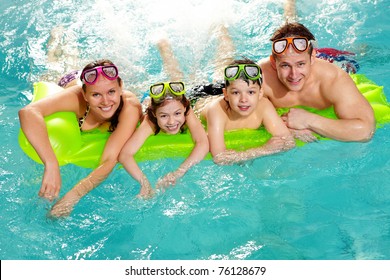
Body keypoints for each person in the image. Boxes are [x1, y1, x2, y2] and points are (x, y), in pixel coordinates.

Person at [19, 58, 142, 217]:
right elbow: (28, 112)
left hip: (92, 83)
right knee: (56, 59)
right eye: (96, 95)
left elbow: (110, 159)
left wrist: (70, 199)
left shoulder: (129, 106)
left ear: (121, 88)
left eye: (111, 92)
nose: (106, 101)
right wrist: (51, 164)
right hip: (68, 79)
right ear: (84, 94)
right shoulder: (76, 97)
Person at [258, 22, 376, 142]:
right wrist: (283, 127)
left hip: (333, 59)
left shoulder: (333, 79)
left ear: (312, 57)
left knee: (357, 56)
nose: (294, 75)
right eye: (285, 66)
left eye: (301, 64)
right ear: (273, 63)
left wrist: (309, 121)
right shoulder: (261, 78)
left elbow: (365, 131)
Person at [195, 59, 295, 165]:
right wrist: (263, 150)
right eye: (236, 93)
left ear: (260, 93)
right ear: (226, 94)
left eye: (251, 92)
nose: (244, 99)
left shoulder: (264, 105)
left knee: (225, 79)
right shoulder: (216, 111)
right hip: (201, 95)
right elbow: (219, 158)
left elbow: (288, 141)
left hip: (233, 87)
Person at [118, 81, 209, 196]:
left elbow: (202, 143)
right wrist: (144, 183)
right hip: (146, 100)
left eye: (177, 114)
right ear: (155, 114)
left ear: (184, 109)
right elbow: (125, 155)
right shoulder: (150, 121)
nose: (172, 122)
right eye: (164, 116)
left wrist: (178, 173)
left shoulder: (187, 111)